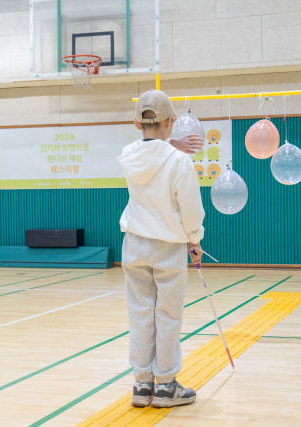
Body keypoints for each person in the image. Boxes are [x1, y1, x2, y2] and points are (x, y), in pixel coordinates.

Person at [118, 89, 205, 408]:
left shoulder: (127, 154)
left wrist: (169, 145)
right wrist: (194, 238)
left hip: (134, 245)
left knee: (140, 314)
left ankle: (142, 385)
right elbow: (191, 209)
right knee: (167, 316)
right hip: (167, 246)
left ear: (136, 124)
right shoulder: (179, 160)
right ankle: (166, 386)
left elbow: (149, 151)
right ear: (171, 122)